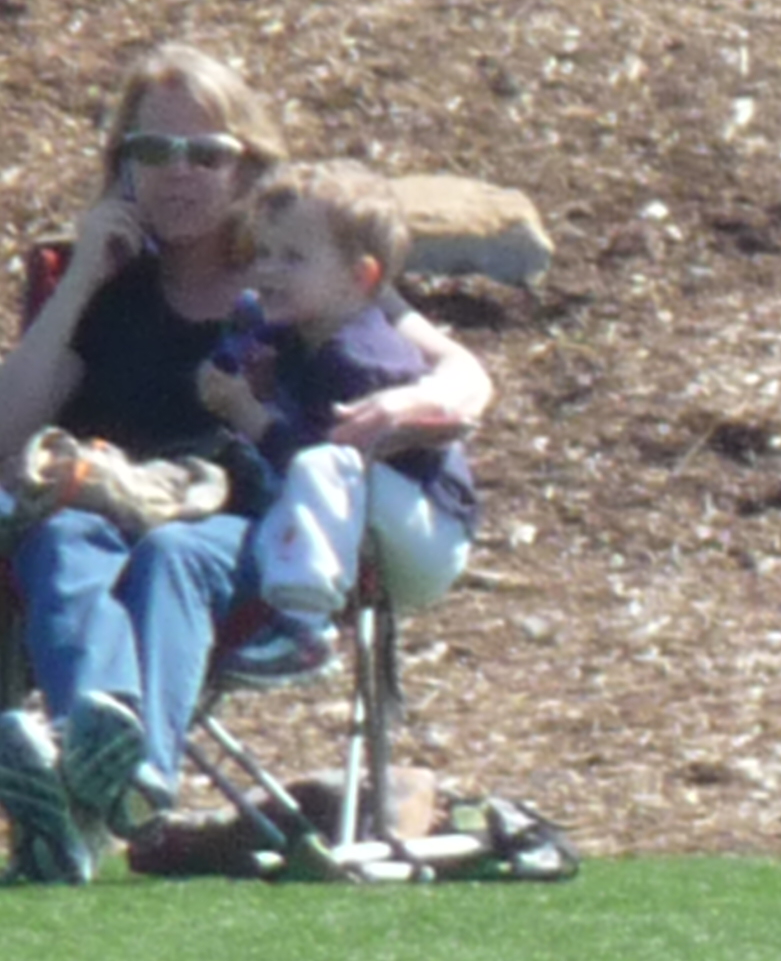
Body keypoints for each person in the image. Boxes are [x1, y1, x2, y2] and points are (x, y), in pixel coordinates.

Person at [0, 45, 491, 884]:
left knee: (170, 550)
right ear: (122, 166)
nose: (177, 173)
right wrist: (80, 279)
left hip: (244, 529)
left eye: (206, 153)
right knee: (60, 539)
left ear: (250, 166)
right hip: (106, 509)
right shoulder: (107, 290)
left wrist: (411, 407)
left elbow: (462, 373)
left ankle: (114, 786)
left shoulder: (301, 266)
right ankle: (98, 751)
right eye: (152, 150)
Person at [194, 159, 480, 685]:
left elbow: (314, 456)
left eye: (293, 258)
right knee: (287, 483)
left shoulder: (360, 357)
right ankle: (274, 612)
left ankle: (304, 631)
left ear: (359, 278)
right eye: (264, 253)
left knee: (320, 465)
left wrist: (248, 414)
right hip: (366, 521)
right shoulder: (297, 336)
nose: (268, 271)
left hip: (425, 534)